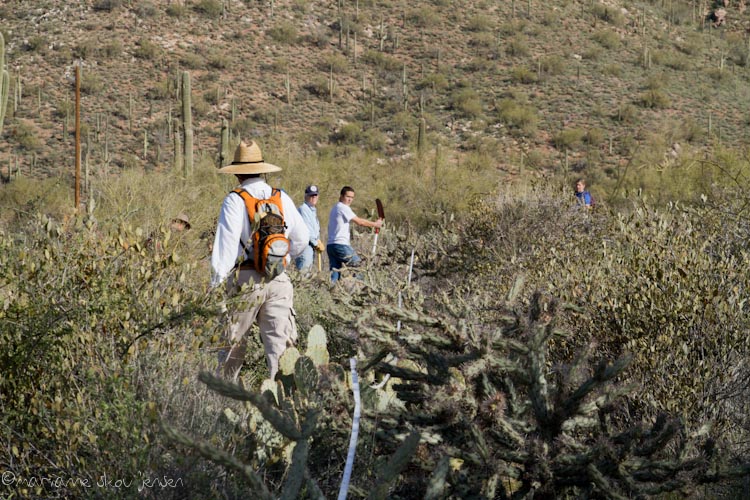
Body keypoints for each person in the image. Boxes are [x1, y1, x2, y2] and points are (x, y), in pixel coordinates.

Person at [211, 141, 309, 381]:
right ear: (262, 169)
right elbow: (302, 238)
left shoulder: (235, 199)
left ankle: (224, 401)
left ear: (238, 172)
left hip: (245, 279)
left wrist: (215, 286)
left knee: (233, 345)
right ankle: (284, 406)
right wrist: (282, 260)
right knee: (281, 350)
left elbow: (226, 247)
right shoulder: (281, 197)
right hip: (278, 279)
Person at [326, 186, 383, 283]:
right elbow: (359, 222)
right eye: (348, 196)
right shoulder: (343, 207)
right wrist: (375, 224)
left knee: (334, 274)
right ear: (341, 196)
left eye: (352, 197)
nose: (350, 199)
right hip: (341, 245)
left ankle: (331, 294)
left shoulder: (335, 208)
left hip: (331, 246)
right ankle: (357, 290)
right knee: (359, 267)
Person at [295, 185, 325, 273]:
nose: (313, 197)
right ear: (306, 196)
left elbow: (314, 229)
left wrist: (317, 241)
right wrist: (316, 243)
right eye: (311, 195)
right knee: (304, 274)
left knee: (308, 272)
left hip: (311, 246)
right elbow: (307, 229)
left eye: (315, 195)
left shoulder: (312, 211)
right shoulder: (303, 209)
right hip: (305, 246)